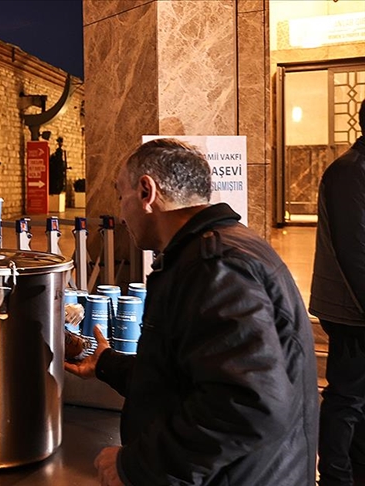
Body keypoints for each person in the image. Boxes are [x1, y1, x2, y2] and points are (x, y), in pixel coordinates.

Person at [66, 138, 318, 485]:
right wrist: (108, 364)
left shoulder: (215, 266)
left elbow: (246, 403)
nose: (121, 214)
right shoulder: (213, 250)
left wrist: (137, 466)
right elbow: (194, 372)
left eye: (119, 194)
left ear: (146, 191)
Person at [311, 100, 365, 486]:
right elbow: (354, 251)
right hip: (350, 308)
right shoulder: (349, 171)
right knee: (347, 397)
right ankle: (335, 475)